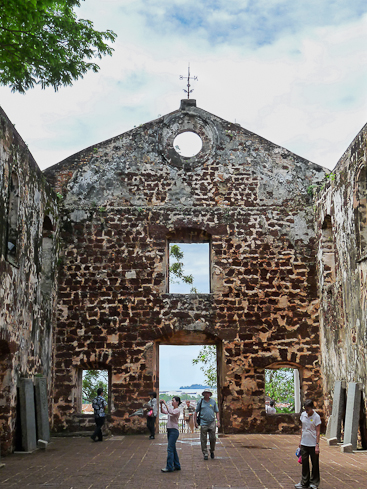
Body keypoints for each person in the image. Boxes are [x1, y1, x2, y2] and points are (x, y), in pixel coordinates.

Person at [295, 399, 321, 489]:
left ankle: (314, 482)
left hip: (312, 443)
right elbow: (302, 428)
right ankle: (304, 482)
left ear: (312, 408)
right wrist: (300, 441)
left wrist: (317, 445)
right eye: (305, 409)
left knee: (315, 463)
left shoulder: (316, 417)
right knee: (305, 463)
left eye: (308, 409)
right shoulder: (303, 415)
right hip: (304, 442)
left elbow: (318, 431)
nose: (307, 411)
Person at [194, 388, 220, 460]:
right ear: (204, 394)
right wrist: (195, 422)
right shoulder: (201, 402)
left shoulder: (213, 401)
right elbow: (196, 412)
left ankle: (212, 450)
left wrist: (218, 421)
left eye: (208, 393)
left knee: (213, 438)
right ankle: (205, 452)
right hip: (203, 422)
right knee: (203, 439)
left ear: (210, 394)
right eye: (205, 393)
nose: (207, 394)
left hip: (212, 422)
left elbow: (217, 411)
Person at [160, 396, 182, 472]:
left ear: (177, 402)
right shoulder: (172, 410)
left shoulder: (177, 410)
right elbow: (163, 411)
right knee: (173, 449)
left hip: (174, 431)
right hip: (170, 430)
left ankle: (169, 466)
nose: (172, 402)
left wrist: (165, 404)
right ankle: (177, 465)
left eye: (173, 401)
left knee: (170, 449)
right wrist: (161, 405)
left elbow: (171, 412)